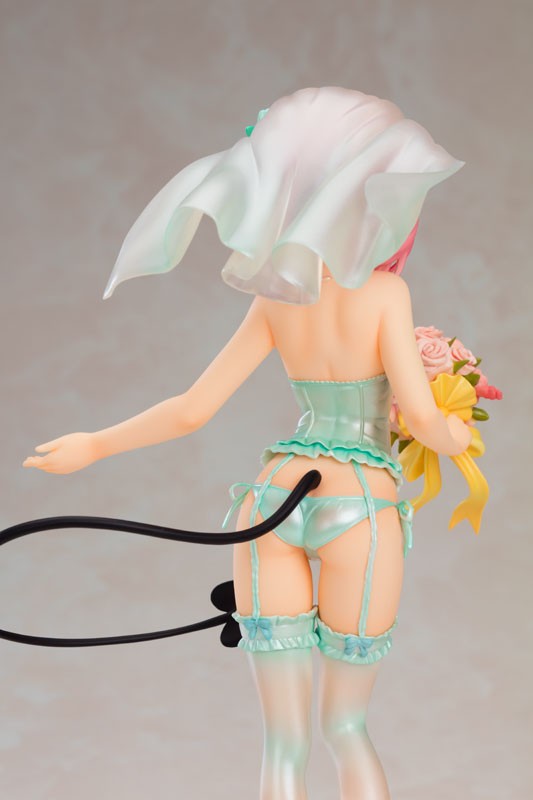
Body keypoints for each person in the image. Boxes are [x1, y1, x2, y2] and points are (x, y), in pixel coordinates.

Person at [23, 87, 473, 800]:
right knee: (346, 727)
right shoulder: (386, 297)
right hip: (360, 503)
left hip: (270, 499)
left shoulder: (276, 299)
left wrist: (94, 444)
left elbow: (191, 409)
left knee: (282, 743)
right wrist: (457, 428)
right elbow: (421, 421)